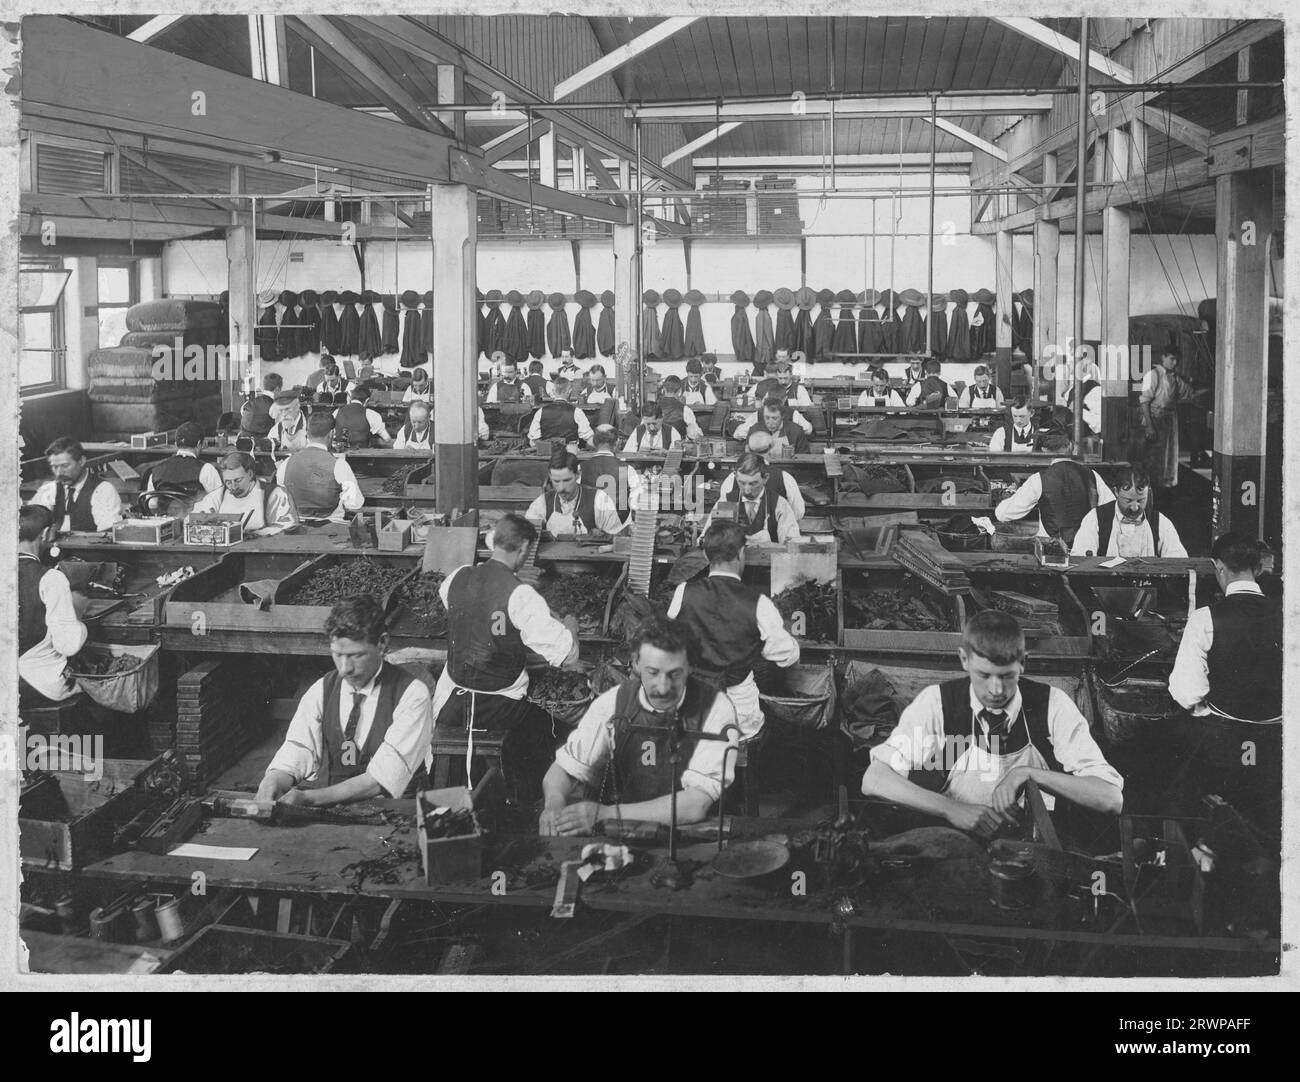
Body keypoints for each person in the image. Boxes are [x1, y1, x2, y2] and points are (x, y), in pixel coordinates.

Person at [861, 610, 1123, 833]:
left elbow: (1110, 798)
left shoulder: (1052, 705)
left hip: (1029, 846)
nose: (996, 690)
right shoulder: (939, 704)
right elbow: (874, 779)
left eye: (1006, 676)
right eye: (984, 675)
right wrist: (952, 809)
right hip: (954, 844)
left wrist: (1027, 774)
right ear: (964, 660)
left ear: (1023, 663)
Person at [539, 614, 739, 836]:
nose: (662, 687)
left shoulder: (716, 708)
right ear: (635, 663)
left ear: (691, 666)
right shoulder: (612, 704)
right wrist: (554, 804)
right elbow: (564, 768)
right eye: (652, 672)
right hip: (622, 834)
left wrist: (605, 814)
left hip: (690, 834)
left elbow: (695, 805)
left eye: (674, 674)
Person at [431, 514, 583, 803]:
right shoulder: (521, 595)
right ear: (525, 548)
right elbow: (567, 653)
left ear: (494, 541)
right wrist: (570, 624)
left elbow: (467, 608)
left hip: (450, 699)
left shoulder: (457, 577)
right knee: (553, 727)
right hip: (498, 707)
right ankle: (524, 799)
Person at [256, 596, 433, 808]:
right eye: (337, 655)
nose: (344, 668)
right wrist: (274, 779)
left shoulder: (412, 694)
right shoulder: (322, 690)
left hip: (400, 811)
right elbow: (298, 748)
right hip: (338, 810)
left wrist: (309, 798)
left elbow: (383, 777)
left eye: (356, 655)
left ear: (382, 643)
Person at [667, 522, 800, 739]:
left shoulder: (684, 592)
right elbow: (787, 657)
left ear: (706, 556)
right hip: (739, 719)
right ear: (740, 554)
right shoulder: (759, 603)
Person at [1169, 532, 1282, 723]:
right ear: (1258, 569)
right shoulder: (1287, 616)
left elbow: (1186, 692)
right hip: (1279, 733)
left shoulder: (1202, 618)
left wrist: (1209, 712)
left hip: (1225, 732)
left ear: (1218, 567)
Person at [18, 505, 88, 705]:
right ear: (47, 533)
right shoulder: (50, 579)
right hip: (34, 682)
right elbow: (68, 645)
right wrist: (77, 612)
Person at [994, 436, 1115, 544]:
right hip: (1088, 545)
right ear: (1072, 448)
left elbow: (1002, 514)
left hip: (1054, 549)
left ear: (1044, 451)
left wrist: (1007, 499)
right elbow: (1111, 509)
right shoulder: (1092, 475)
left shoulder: (1039, 479)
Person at [1070, 466, 1187, 558]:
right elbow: (1081, 557)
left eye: (1141, 500)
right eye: (1128, 501)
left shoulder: (1160, 522)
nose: (1135, 508)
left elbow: (1178, 560)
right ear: (1116, 492)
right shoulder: (1096, 518)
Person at [277, 413, 364, 524]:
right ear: (331, 434)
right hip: (332, 528)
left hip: (296, 528)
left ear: (306, 434)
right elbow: (354, 505)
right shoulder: (339, 465)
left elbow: (281, 501)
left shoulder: (286, 464)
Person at [193, 450, 298, 536]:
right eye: (228, 482)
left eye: (238, 480)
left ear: (250, 474)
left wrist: (258, 534)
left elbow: (289, 524)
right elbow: (193, 517)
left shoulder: (274, 494)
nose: (233, 487)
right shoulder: (219, 495)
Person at [704, 451, 801, 543]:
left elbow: (792, 545)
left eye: (753, 483)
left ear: (765, 478)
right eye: (742, 483)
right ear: (735, 476)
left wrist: (772, 546)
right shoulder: (727, 501)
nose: (747, 490)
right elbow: (708, 540)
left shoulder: (778, 504)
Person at [32, 437, 124, 533]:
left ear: (81, 461)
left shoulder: (103, 490)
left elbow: (107, 532)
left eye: (65, 466)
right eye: (54, 467)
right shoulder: (49, 490)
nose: (59, 473)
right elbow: (31, 524)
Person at [525, 449, 626, 537]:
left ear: (578, 475)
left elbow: (615, 536)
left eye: (567, 480)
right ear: (550, 477)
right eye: (556, 481)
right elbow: (526, 536)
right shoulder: (542, 503)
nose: (561, 488)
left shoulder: (599, 500)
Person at [1139, 345, 1197, 489]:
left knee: (1169, 458)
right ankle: (1151, 490)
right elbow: (1144, 402)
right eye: (1172, 359)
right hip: (1154, 419)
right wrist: (1149, 426)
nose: (1175, 363)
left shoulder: (1175, 378)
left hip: (1170, 421)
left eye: (1177, 360)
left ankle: (1166, 489)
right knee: (1154, 460)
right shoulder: (1153, 374)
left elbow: (1189, 392)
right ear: (1163, 357)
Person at [717, 430, 806, 519]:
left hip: (739, 531)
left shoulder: (731, 478)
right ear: (771, 449)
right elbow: (798, 513)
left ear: (747, 449)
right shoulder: (785, 477)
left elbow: (723, 517)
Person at [144, 421, 221, 500]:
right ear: (199, 444)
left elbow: (151, 505)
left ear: (176, 444)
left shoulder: (156, 472)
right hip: (195, 511)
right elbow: (218, 501)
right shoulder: (207, 470)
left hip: (165, 512)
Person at [580, 424, 640, 518]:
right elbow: (636, 502)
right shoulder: (627, 469)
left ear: (595, 443)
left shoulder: (581, 468)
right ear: (616, 443)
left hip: (590, 522)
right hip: (619, 523)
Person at [526, 377, 595, 447]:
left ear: (553, 391)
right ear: (569, 391)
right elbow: (590, 439)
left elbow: (533, 441)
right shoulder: (577, 412)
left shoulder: (540, 412)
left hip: (548, 455)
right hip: (570, 455)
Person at [733, 398, 811, 455]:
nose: (770, 422)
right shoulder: (755, 429)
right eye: (767, 417)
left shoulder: (796, 431)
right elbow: (748, 456)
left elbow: (805, 457)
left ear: (782, 416)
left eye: (774, 418)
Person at [333, 384, 392, 449]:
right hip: (361, 456)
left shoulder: (337, 412)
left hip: (339, 454)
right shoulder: (371, 414)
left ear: (350, 398)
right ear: (367, 400)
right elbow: (387, 438)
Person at [655, 376, 703, 440]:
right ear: (679, 391)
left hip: (656, 446)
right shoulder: (685, 409)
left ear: (664, 388)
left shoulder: (653, 407)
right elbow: (697, 435)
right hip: (677, 447)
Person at [239, 374, 281, 440]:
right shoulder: (276, 406)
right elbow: (279, 428)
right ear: (277, 389)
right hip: (264, 445)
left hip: (243, 442)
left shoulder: (247, 404)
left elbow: (243, 414)